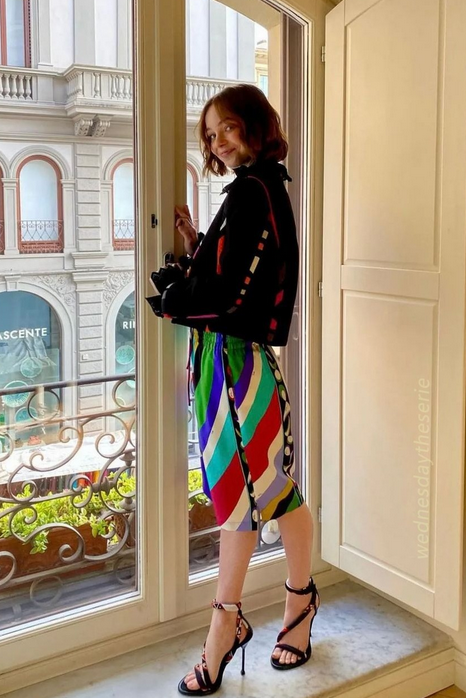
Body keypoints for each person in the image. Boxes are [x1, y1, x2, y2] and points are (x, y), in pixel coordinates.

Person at [147, 84, 320, 696]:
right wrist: (198, 246)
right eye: (210, 132)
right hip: (232, 366)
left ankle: (227, 626)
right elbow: (241, 272)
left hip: (236, 370)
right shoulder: (258, 188)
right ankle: (297, 604)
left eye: (226, 127)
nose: (217, 140)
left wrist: (173, 300)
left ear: (253, 124)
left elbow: (232, 295)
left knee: (243, 499)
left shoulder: (255, 191)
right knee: (267, 492)